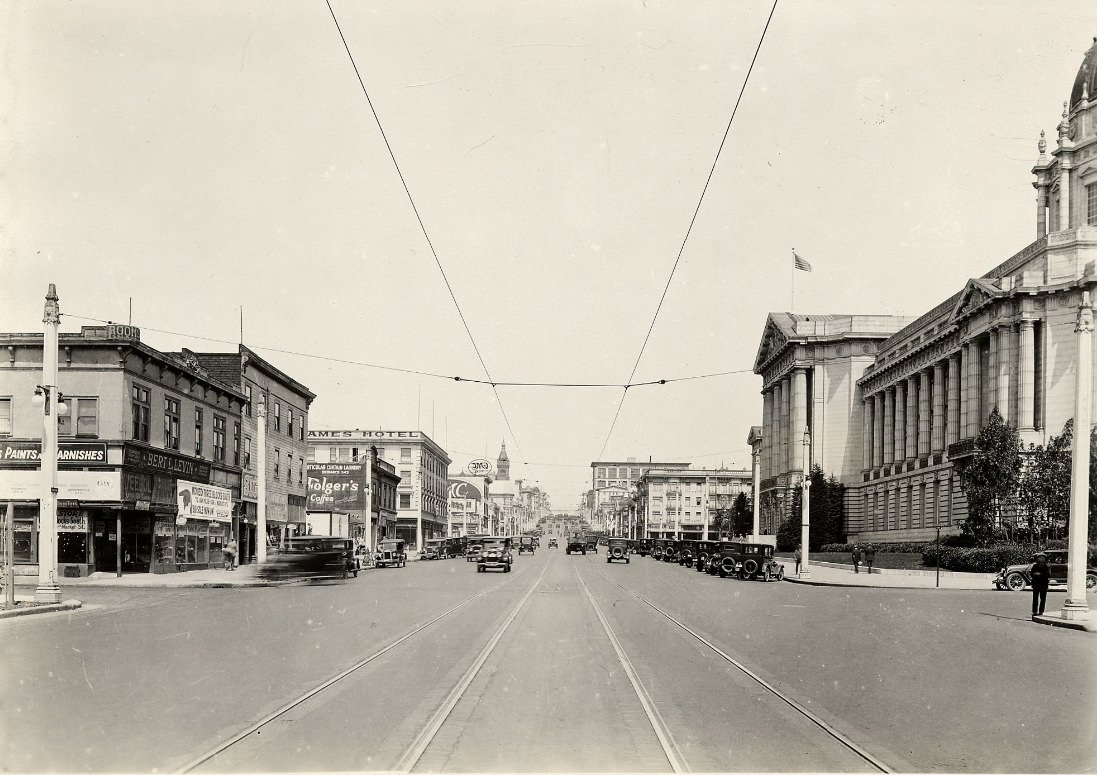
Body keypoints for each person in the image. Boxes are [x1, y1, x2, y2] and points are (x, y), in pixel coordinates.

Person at [1030, 551, 1051, 618]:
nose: (1041, 559)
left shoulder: (1046, 566)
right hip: (1036, 584)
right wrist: (1034, 574)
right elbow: (1031, 573)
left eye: (1043, 558)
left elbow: (1048, 575)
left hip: (1043, 584)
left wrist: (1040, 574)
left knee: (1043, 598)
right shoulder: (1035, 566)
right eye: (1040, 558)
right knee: (1035, 598)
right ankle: (1034, 611)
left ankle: (1041, 611)